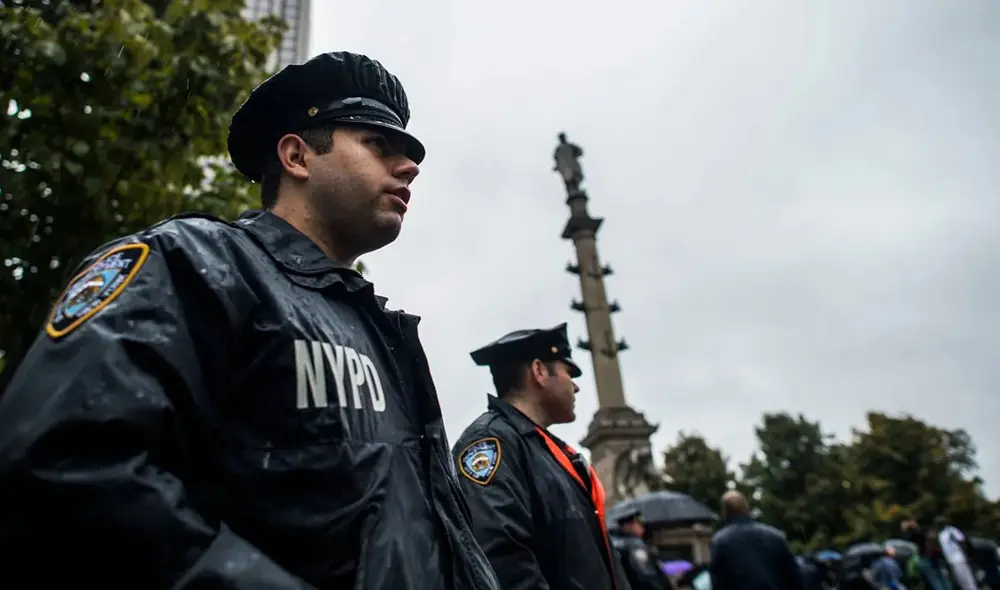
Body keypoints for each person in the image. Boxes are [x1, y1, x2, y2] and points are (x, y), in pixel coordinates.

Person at [0, 51, 500, 590]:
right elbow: (64, 465)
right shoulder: (191, 265)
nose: (409, 167)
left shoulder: (387, 336)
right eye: (379, 145)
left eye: (407, 152)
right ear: (297, 156)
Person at [451, 323, 629, 590]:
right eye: (569, 373)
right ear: (539, 371)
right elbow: (504, 563)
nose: (576, 387)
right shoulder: (490, 444)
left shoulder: (551, 451)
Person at [708, 491, 805, 590]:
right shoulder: (775, 536)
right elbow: (795, 577)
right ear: (746, 508)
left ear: (725, 512)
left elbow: (718, 583)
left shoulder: (719, 542)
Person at [612, 507, 670, 590]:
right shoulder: (634, 545)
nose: (642, 527)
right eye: (638, 523)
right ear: (628, 525)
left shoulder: (615, 542)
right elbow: (646, 576)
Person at [901, 518, 949, 590]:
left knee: (935, 580)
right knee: (942, 579)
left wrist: (906, 529)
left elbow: (907, 540)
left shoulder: (917, 533)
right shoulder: (927, 531)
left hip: (926, 558)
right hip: (935, 557)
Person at [937, 517, 977, 590]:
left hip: (958, 558)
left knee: (967, 579)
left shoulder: (951, 530)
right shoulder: (941, 534)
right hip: (950, 560)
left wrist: (966, 555)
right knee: (960, 580)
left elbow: (962, 541)